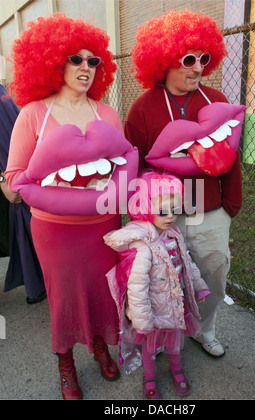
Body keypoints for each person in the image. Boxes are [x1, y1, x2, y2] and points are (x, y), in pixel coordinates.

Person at [5, 14, 138, 400]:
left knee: (102, 291)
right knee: (63, 297)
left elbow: (123, 162)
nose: (85, 68)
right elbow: (15, 178)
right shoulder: (33, 114)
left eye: (93, 60)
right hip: (55, 231)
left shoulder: (106, 114)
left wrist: (113, 194)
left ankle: (100, 346)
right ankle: (65, 362)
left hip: (104, 226)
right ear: (53, 61)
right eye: (75, 59)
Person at [124, 10, 243, 358]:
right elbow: (135, 169)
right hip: (163, 220)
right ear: (163, 61)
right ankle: (164, 335)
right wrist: (143, 220)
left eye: (203, 58)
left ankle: (203, 330)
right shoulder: (142, 110)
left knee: (214, 278)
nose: (197, 67)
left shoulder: (218, 102)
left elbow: (231, 159)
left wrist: (229, 207)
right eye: (188, 59)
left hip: (211, 213)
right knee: (163, 282)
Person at [104, 171, 210, 399]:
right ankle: (149, 378)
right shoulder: (144, 247)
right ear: (145, 208)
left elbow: (187, 262)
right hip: (153, 312)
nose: (170, 216)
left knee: (174, 344)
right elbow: (137, 287)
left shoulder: (174, 235)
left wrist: (199, 285)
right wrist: (142, 320)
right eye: (162, 211)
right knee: (150, 348)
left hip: (174, 305)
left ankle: (177, 371)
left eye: (174, 209)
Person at [0, 84, 45, 304]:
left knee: (32, 223)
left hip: (25, 170)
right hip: (10, 177)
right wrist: (2, 180)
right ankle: (34, 285)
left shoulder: (2, 90)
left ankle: (39, 283)